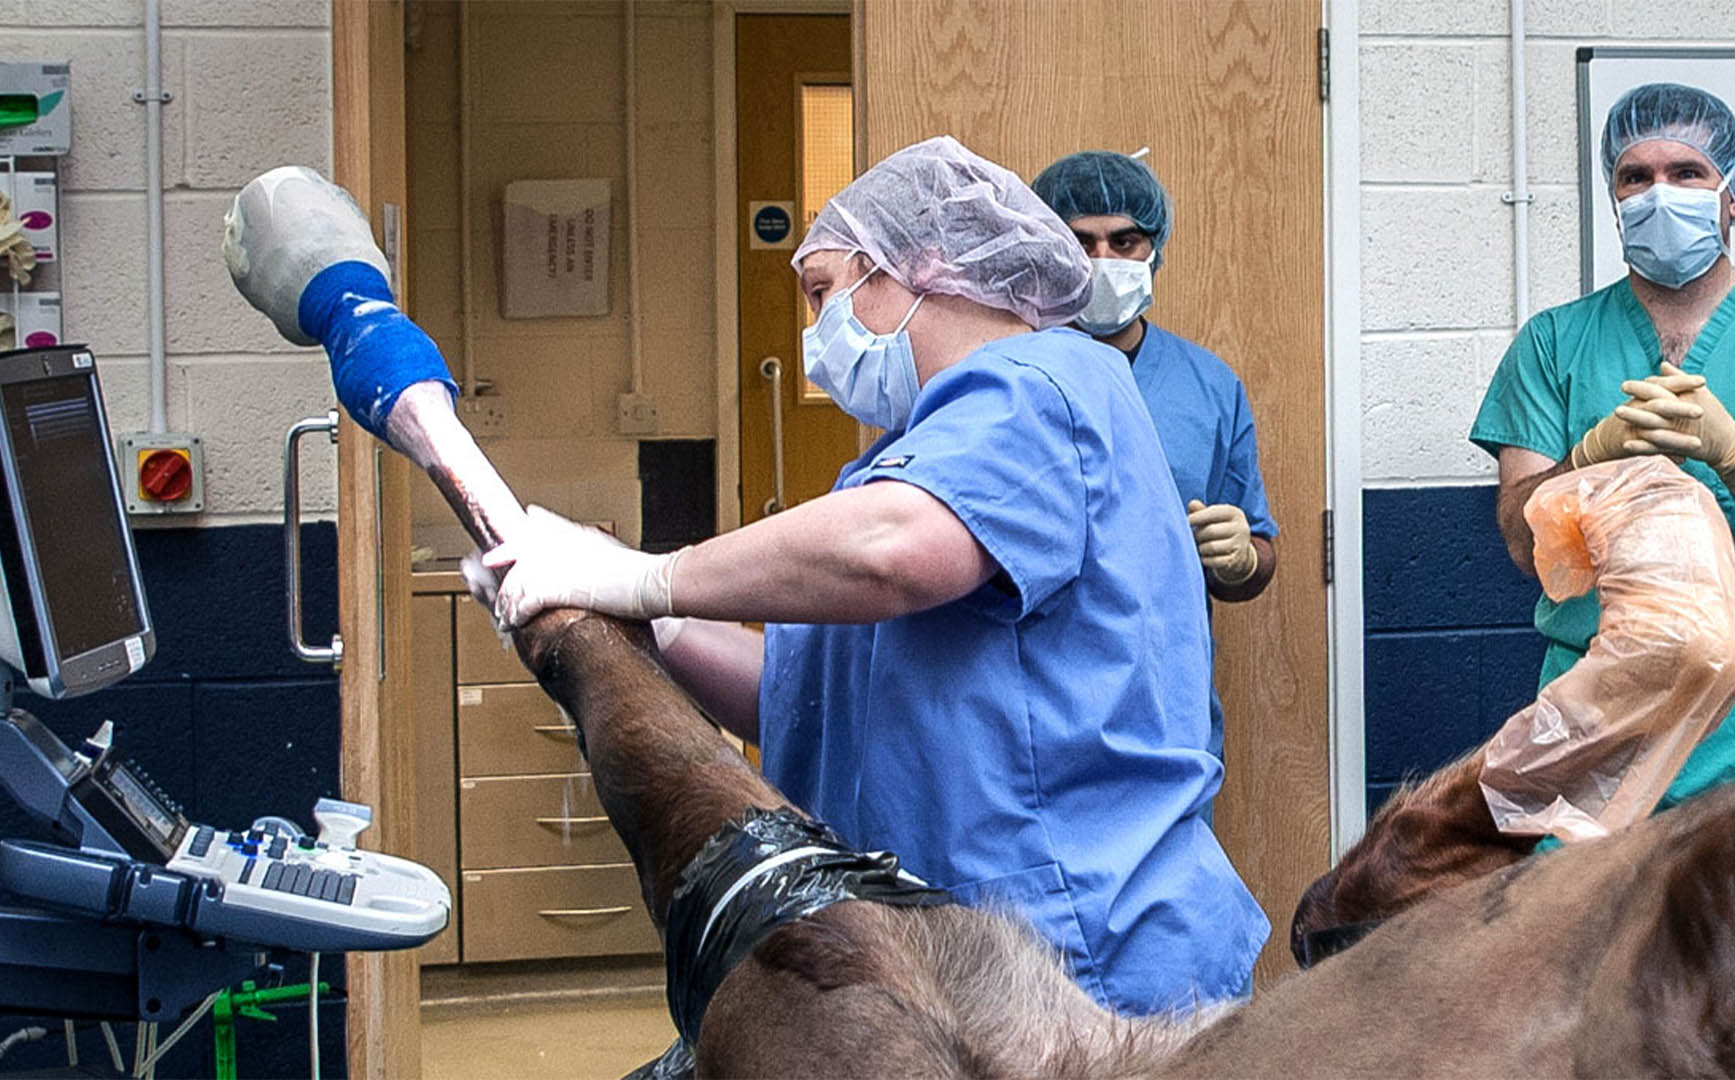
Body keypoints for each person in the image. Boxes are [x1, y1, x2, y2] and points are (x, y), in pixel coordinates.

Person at [473, 136, 1268, 1015]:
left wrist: (648, 574)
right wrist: (632, 615)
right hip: (958, 971)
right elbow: (797, 703)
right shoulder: (909, 457)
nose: (815, 332)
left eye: (823, 291)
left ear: (922, 265)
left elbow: (897, 552)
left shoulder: (1045, 382)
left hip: (1079, 963)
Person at [1470, 83, 1735, 812]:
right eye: (1636, 177)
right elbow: (1520, 542)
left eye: (1686, 174)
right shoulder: (1552, 344)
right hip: (1591, 695)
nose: (1658, 195)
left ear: (1732, 195)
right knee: (1576, 909)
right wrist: (1594, 454)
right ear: (1612, 197)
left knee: (1733, 919)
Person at [1031, 150, 1278, 815]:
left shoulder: (1207, 385)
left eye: (1124, 240)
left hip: (1164, 703)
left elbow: (1256, 558)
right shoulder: (1005, 375)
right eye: (1078, 242)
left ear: (1153, 248)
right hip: (1031, 701)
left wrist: (1241, 554)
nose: (1102, 259)